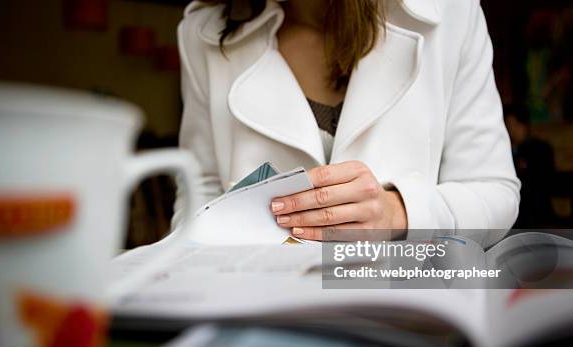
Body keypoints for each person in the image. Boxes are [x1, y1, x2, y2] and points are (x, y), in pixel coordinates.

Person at [173, 0, 520, 244]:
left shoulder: (453, 13)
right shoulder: (201, 34)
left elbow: (494, 191)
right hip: (254, 309)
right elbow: (199, 189)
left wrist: (400, 212)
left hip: (402, 310)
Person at [504, 104, 556, 227]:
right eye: (508, 126)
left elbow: (542, 181)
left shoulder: (540, 148)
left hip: (536, 211)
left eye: (515, 125)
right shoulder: (506, 151)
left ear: (525, 125)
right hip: (515, 212)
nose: (511, 130)